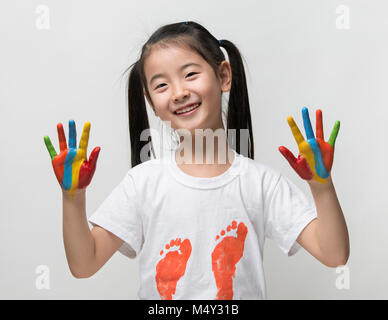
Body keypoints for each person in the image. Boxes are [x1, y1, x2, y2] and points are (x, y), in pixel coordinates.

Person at [43, 21, 349, 300]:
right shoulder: (143, 182)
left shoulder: (261, 182)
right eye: (162, 85)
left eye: (190, 74)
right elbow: (84, 264)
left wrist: (321, 185)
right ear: (152, 103)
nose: (178, 92)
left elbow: (334, 254)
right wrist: (73, 197)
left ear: (224, 76)